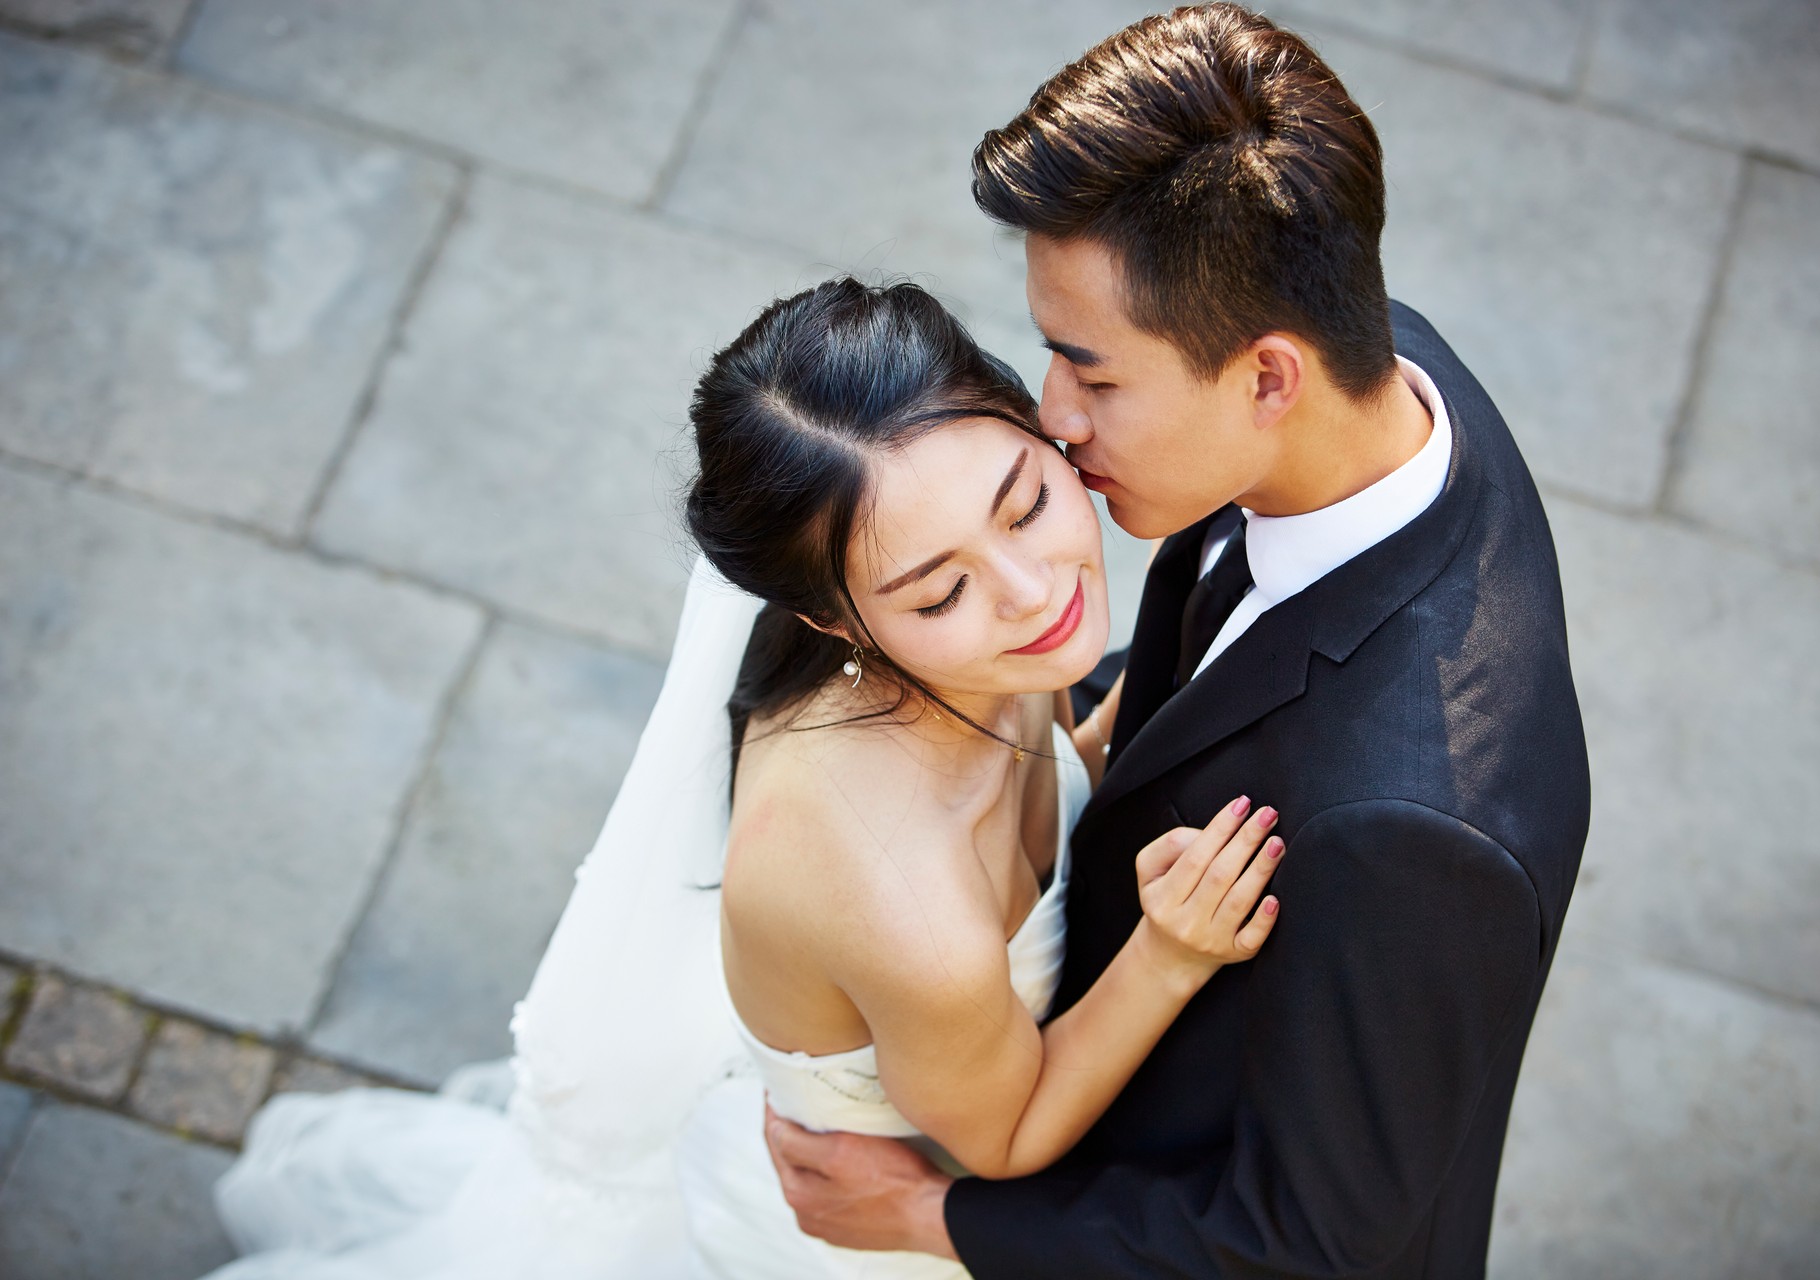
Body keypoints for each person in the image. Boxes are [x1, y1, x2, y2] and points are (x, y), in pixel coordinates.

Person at [202, 278, 1285, 1280]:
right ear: (831, 617)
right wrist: (1170, 952)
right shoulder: (905, 903)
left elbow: (1037, 767)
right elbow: (1000, 1136)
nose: (1028, 588)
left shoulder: (977, 654)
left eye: (1024, 500)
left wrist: (1113, 728)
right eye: (938, 589)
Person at [758, 7, 1590, 1279]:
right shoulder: (1379, 369)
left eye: (1091, 373)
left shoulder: (1420, 832)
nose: (1052, 419)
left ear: (1268, 377)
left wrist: (933, 1219)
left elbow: (1312, 1243)